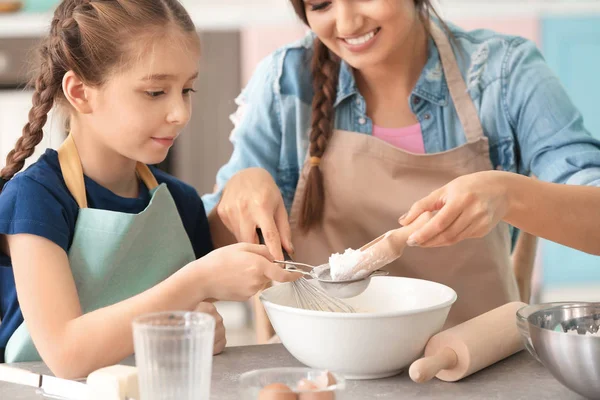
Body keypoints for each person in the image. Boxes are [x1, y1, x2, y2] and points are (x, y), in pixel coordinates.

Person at [203, 0, 600, 342]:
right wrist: (238, 195)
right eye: (320, 4)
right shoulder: (283, 85)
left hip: (477, 370)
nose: (347, 24)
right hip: (323, 374)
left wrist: (509, 194)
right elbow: (207, 247)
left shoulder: (503, 73)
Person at [0, 0, 299, 376]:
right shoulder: (34, 199)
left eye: (187, 90)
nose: (180, 113)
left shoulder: (179, 203)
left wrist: (199, 330)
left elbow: (192, 320)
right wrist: (197, 282)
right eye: (156, 92)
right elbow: (66, 353)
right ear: (80, 92)